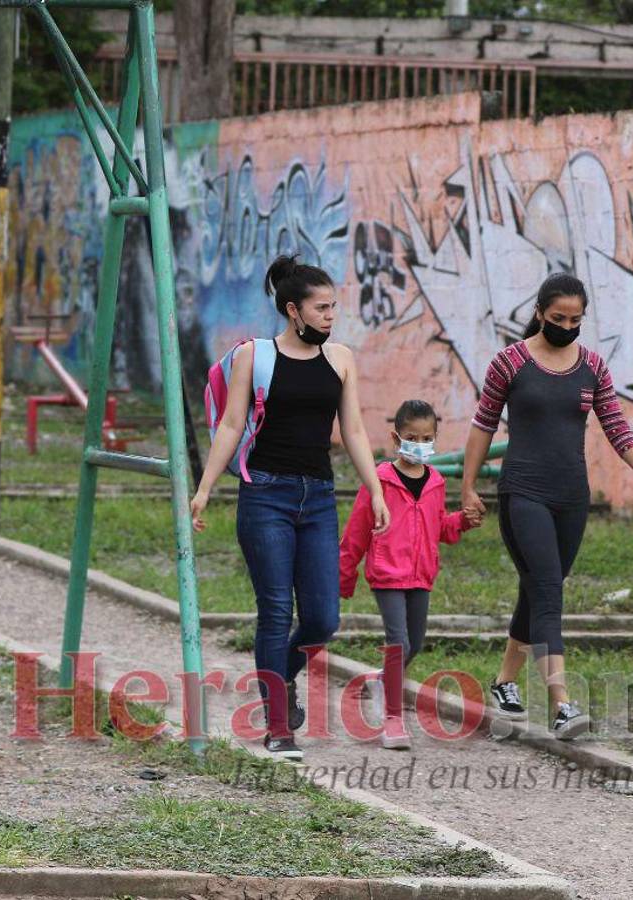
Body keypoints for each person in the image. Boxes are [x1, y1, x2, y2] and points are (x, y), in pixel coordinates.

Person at [191, 254, 389, 761]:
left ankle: (282, 677)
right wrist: (206, 487)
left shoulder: (341, 359)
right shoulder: (253, 357)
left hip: (318, 498)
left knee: (323, 618)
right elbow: (232, 426)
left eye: (333, 308)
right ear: (292, 310)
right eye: (321, 308)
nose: (330, 316)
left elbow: (355, 431)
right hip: (266, 496)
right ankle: (278, 725)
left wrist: (377, 490)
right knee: (276, 610)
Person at [462, 273, 633, 739]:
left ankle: (504, 681)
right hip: (523, 493)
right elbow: (483, 425)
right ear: (539, 313)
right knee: (549, 589)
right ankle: (562, 705)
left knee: (539, 589)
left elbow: (615, 425)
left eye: (576, 320)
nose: (567, 326)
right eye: (558, 318)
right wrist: (469, 487)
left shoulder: (592, 366)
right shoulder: (510, 363)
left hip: (572, 497)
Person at [338, 399, 481, 749]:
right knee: (398, 642)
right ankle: (392, 719)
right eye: (412, 437)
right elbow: (357, 531)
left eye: (427, 437)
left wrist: (462, 520)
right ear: (396, 437)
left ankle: (380, 682)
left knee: (414, 643)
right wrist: (343, 575)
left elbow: (439, 528)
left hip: (421, 576)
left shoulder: (435, 481)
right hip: (387, 574)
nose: (420, 443)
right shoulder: (380, 481)